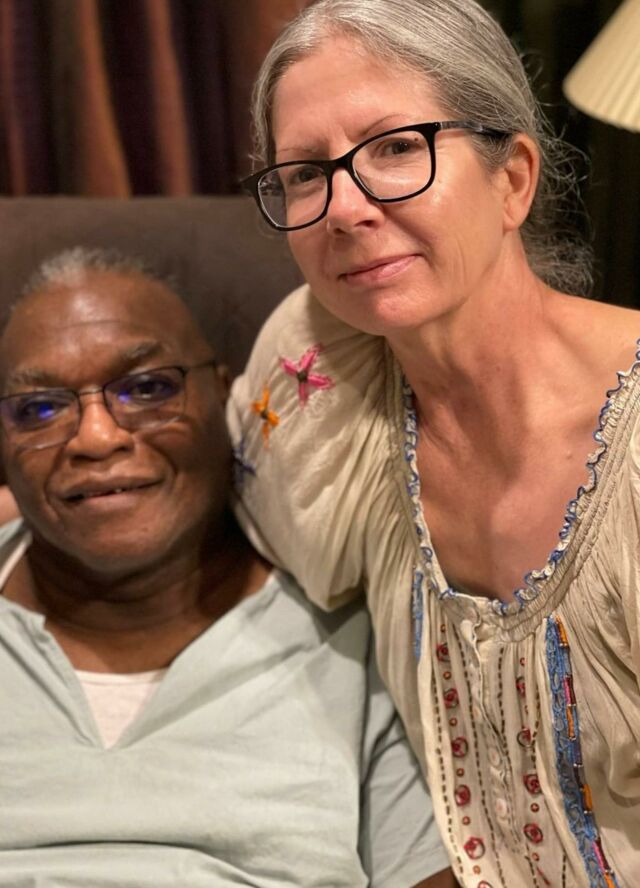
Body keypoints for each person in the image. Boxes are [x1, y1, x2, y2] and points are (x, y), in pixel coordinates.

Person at [228, 0, 640, 885]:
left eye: (395, 148)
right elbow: (208, 497)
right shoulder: (322, 381)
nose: (343, 209)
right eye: (304, 173)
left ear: (512, 180)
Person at [0, 247, 453, 887]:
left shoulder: (357, 639)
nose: (96, 438)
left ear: (223, 394)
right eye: (39, 409)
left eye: (147, 388)